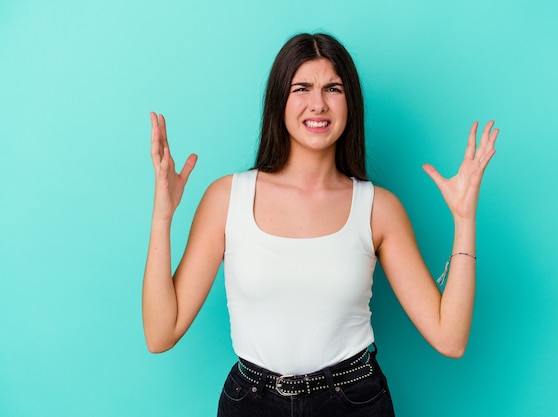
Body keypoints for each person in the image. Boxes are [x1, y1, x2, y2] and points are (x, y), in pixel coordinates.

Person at [142, 33, 499, 417]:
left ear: (350, 103)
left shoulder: (378, 208)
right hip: (251, 404)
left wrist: (464, 219)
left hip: (352, 401)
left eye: (333, 88)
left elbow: (451, 338)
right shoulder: (227, 198)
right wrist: (163, 217)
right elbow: (161, 334)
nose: (318, 104)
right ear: (280, 100)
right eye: (302, 88)